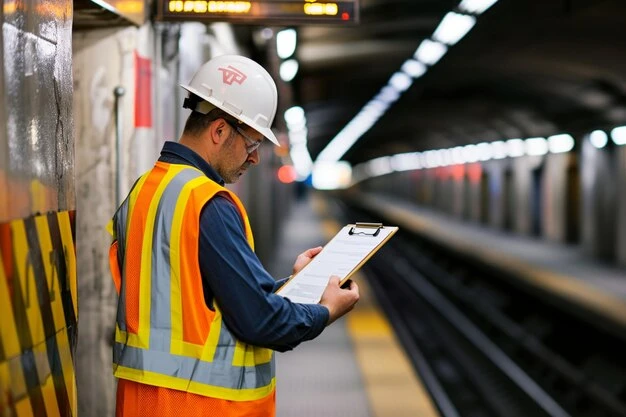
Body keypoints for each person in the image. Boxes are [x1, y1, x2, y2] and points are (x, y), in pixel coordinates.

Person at [108, 54, 360, 417]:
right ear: (220, 130)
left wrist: (292, 283)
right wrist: (325, 311)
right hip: (198, 405)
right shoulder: (207, 203)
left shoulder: (146, 190)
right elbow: (260, 321)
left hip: (141, 402)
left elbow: (197, 295)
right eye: (253, 143)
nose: (254, 158)